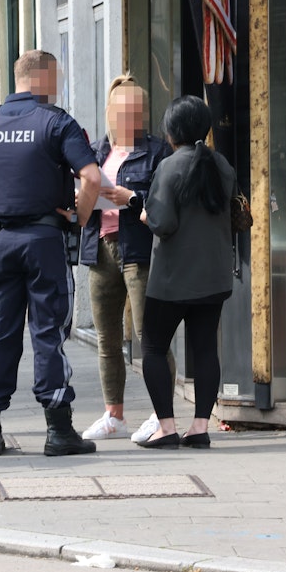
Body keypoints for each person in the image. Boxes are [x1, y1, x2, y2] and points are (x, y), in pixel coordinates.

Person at [0, 49, 101, 457]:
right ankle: (58, 431)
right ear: (43, 78)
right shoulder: (56, 122)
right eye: (56, 78)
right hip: (44, 242)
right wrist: (79, 217)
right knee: (48, 334)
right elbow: (91, 177)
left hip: (1, 245)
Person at [77, 75, 176, 444]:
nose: (127, 118)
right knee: (107, 338)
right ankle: (113, 414)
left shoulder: (156, 151)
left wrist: (130, 196)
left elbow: (166, 201)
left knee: (149, 337)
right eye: (121, 111)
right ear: (109, 112)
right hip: (101, 247)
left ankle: (160, 414)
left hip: (140, 250)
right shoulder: (96, 151)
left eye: (134, 111)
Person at [137, 95, 235, 449]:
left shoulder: (170, 166)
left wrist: (144, 213)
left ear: (171, 130)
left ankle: (165, 427)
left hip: (172, 280)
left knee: (152, 346)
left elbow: (163, 222)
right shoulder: (221, 165)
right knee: (206, 348)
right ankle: (199, 427)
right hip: (214, 276)